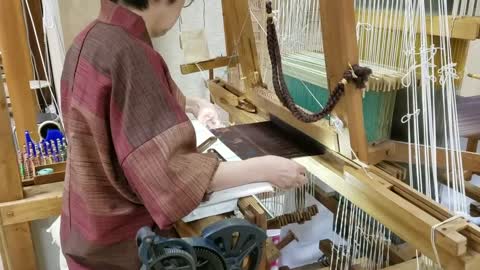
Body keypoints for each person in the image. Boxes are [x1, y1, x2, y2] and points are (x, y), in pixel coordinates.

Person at [60, 0, 307, 269]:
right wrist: (266, 169)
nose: (181, 9)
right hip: (120, 247)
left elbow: (118, 107)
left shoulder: (92, 37)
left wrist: (192, 103)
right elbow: (172, 177)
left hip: (85, 229)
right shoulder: (130, 53)